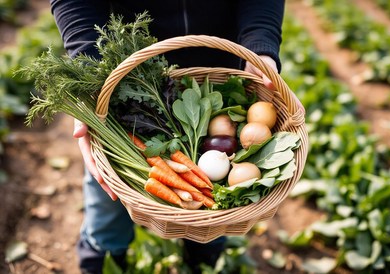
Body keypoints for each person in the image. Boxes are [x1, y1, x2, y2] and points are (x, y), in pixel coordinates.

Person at [49, 0, 286, 273]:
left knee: (212, 216)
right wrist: (91, 74)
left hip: (220, 73)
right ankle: (101, 260)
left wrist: (260, 45)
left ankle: (203, 259)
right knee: (110, 194)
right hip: (127, 83)